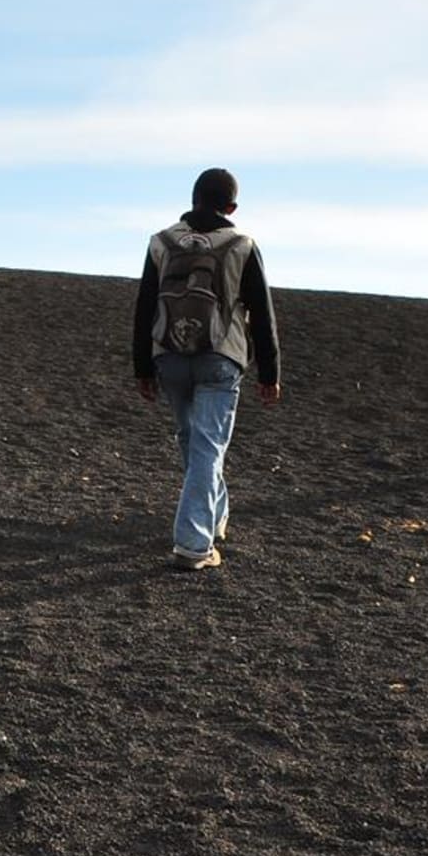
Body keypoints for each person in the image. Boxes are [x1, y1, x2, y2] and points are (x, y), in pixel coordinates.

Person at [132, 168, 282, 570]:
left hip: (168, 355)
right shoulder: (241, 245)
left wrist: (142, 366)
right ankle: (194, 544)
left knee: (193, 442)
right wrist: (270, 373)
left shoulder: (162, 243)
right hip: (220, 357)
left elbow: (145, 305)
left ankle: (215, 519)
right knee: (208, 446)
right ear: (231, 207)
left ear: (193, 197)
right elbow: (262, 314)